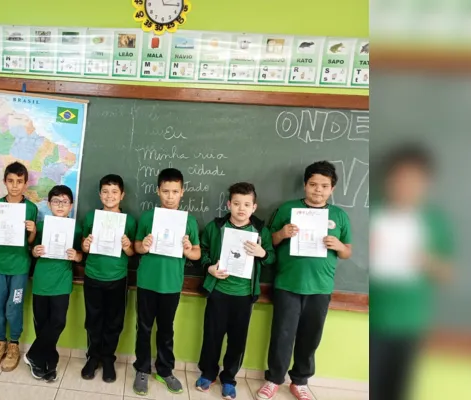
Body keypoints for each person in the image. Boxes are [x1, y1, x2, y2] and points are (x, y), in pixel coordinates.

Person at [257, 161, 352, 400]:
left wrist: (339, 245)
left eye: (324, 186)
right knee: (282, 335)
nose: (318, 190)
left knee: (311, 337)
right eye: (313, 184)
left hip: (320, 287)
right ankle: (273, 379)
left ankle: (300, 381)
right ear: (305, 185)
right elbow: (268, 242)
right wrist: (282, 233)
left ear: (332, 189)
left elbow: (347, 251)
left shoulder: (339, 216)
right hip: (288, 284)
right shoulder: (287, 209)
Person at [369, 145, 453, 400]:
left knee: (399, 390)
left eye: (414, 180)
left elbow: (448, 275)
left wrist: (426, 261)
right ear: (388, 179)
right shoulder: (373, 214)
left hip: (411, 323)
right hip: (373, 321)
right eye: (400, 178)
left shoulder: (435, 221)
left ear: (426, 184)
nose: (406, 186)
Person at [195, 182, 275, 400]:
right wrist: (209, 267)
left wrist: (262, 253)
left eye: (247, 204)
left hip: (244, 296)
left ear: (254, 207)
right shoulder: (216, 227)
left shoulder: (260, 231)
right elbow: (200, 250)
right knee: (212, 336)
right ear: (229, 204)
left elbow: (271, 258)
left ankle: (229, 378)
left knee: (237, 341)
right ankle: (208, 373)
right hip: (218, 292)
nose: (241, 208)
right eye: (237, 203)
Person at [132, 168, 201, 396]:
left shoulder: (188, 221)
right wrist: (145, 245)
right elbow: (136, 246)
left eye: (174, 191)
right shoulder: (148, 218)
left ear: (182, 192)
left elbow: (197, 253)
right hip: (147, 282)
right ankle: (142, 368)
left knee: (166, 330)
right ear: (157, 191)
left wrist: (189, 250)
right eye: (165, 191)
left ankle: (165, 370)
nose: (170, 196)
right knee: (143, 328)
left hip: (171, 284)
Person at [79, 174, 136, 383]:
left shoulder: (129, 221)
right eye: (105, 191)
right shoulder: (91, 218)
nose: (109, 196)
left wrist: (127, 246)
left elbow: (132, 254)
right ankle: (93, 357)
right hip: (93, 275)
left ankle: (108, 359)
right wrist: (84, 246)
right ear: (99, 194)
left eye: (114, 192)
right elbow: (84, 246)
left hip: (117, 278)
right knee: (93, 320)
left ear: (122, 195)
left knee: (114, 321)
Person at [0, 162, 38, 372]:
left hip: (20, 266)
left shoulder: (30, 208)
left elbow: (30, 242)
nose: (15, 186)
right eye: (11, 181)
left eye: (19, 182)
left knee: (13, 306)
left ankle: (14, 344)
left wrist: (32, 231)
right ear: (5, 181)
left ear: (25, 184)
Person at [26, 185, 83, 382]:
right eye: (56, 201)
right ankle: (48, 363)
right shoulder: (41, 226)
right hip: (42, 279)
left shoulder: (76, 227)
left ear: (71, 205)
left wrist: (76, 256)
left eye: (64, 201)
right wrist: (35, 251)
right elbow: (32, 249)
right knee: (42, 324)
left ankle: (33, 354)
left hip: (62, 281)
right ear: (49, 204)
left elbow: (81, 254)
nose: (60, 205)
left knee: (58, 321)